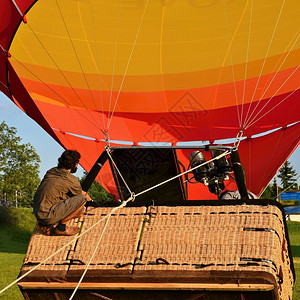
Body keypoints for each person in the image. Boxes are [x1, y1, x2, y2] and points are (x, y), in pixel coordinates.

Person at [33, 150, 92, 236]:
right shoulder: (71, 179)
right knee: (82, 200)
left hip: (38, 211)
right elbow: (80, 196)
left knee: (79, 209)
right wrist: (89, 199)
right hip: (47, 215)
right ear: (74, 164)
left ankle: (48, 225)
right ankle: (61, 228)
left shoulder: (51, 171)